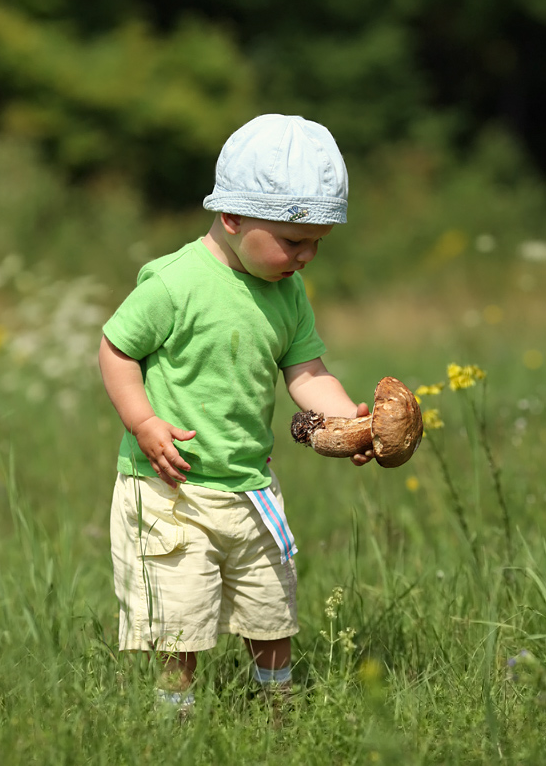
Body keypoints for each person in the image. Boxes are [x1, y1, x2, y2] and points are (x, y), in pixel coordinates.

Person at [98, 113, 373, 714]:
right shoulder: (175, 283)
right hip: (172, 489)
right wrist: (143, 422)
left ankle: (278, 710)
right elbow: (116, 348)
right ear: (232, 218)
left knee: (272, 608)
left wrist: (350, 421)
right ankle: (176, 718)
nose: (305, 258)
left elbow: (308, 374)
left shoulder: (287, 292)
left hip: (250, 487)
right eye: (293, 241)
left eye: (317, 245)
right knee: (179, 618)